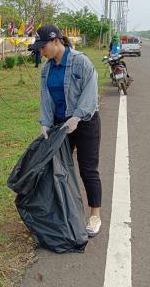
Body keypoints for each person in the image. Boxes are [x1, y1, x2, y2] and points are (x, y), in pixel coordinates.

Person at [32, 25, 102, 237]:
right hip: (61, 125)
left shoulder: (80, 62)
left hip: (86, 121)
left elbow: (90, 93)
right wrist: (45, 122)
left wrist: (78, 116)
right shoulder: (47, 69)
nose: (41, 52)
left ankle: (95, 215)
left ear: (55, 42)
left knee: (88, 169)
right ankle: (66, 211)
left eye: (43, 47)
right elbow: (46, 98)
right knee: (60, 168)